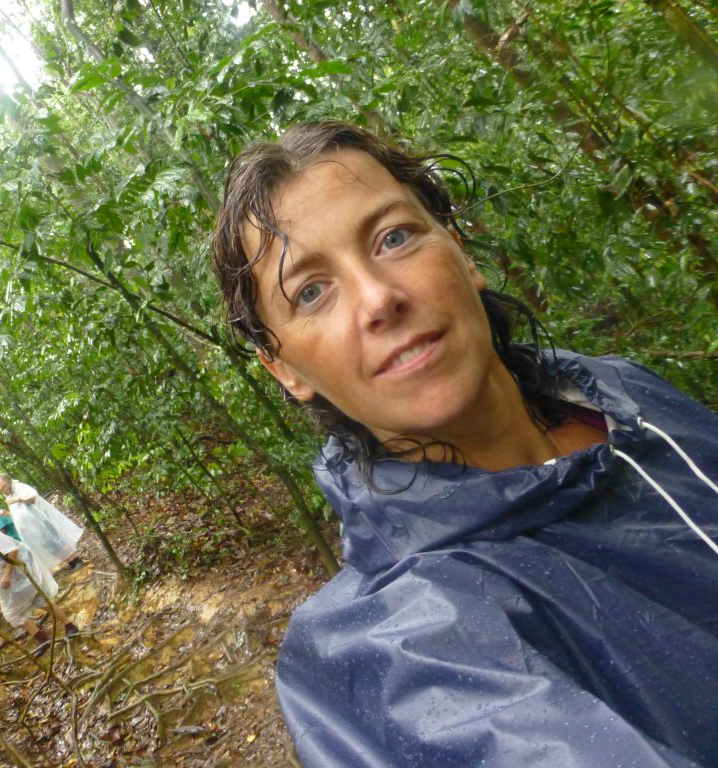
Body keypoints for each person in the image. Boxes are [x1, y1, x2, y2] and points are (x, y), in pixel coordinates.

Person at [211, 120, 718, 767]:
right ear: (283, 368)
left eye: (393, 238)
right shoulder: (398, 649)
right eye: (311, 291)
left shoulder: (623, 394)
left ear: (460, 252)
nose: (378, 299)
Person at [0, 518, 78, 655]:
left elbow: (13, 550)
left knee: (36, 604)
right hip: (8, 587)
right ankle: (45, 639)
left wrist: (6, 573)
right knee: (16, 613)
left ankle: (68, 627)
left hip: (20, 577)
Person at [0, 473, 85, 573]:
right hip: (32, 528)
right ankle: (71, 563)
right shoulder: (8, 495)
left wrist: (18, 499)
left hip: (41, 522)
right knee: (51, 547)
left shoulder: (19, 487)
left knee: (57, 542)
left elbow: (33, 496)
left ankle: (77, 561)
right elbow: (21, 513)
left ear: (5, 481)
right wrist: (8, 514)